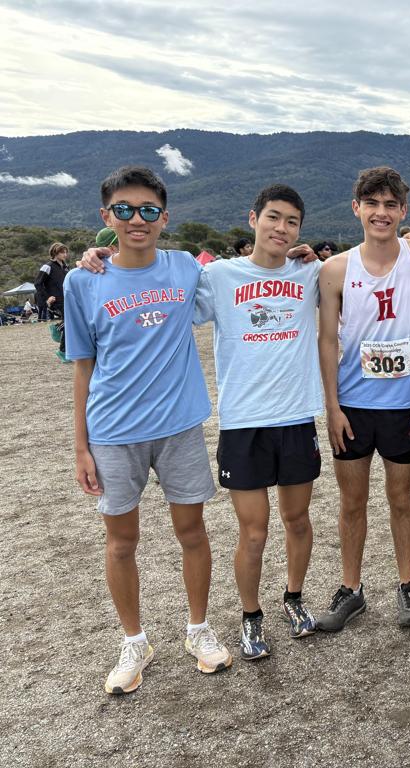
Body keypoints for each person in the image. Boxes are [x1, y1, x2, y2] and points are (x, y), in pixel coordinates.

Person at [63, 165, 232, 695]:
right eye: (125, 210)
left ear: (165, 216)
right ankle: (134, 641)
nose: (137, 220)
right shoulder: (82, 280)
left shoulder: (184, 267)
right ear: (106, 215)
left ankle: (198, 629)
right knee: (121, 542)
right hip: (113, 431)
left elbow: (248, 272)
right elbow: (83, 366)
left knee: (192, 532)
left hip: (179, 427)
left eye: (148, 210)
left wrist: (301, 255)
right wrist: (80, 446)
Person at [194, 185, 322, 660]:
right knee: (253, 531)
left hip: (295, 416)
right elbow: (162, 291)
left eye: (292, 221)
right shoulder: (219, 276)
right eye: (273, 217)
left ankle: (294, 597)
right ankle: (251, 617)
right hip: (243, 423)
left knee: (298, 520)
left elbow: (375, 259)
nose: (281, 228)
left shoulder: (309, 272)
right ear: (253, 219)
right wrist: (102, 258)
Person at [316, 167, 410, 632]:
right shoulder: (336, 269)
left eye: (390, 205)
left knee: (401, 498)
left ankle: (407, 584)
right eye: (372, 204)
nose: (380, 213)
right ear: (357, 208)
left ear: (403, 211)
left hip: (403, 405)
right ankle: (351, 588)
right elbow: (328, 340)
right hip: (353, 406)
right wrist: (332, 407)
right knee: (352, 501)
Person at [35, 242, 69, 358]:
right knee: (69, 322)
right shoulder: (47, 266)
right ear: (55, 253)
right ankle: (62, 351)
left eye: (66, 252)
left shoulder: (66, 267)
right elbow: (38, 284)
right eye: (62, 252)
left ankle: (57, 327)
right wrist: (47, 297)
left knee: (71, 321)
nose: (65, 255)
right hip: (56, 300)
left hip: (67, 299)